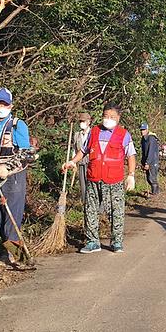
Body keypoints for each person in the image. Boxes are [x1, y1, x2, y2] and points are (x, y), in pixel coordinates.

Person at [64, 104, 136, 254]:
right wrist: (72, 161)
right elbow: (83, 150)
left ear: (118, 118)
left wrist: (131, 175)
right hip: (94, 177)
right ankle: (92, 242)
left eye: (112, 117)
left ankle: (116, 242)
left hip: (114, 180)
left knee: (116, 211)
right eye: (105, 116)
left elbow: (131, 155)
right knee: (90, 209)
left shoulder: (124, 134)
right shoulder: (94, 131)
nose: (108, 119)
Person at [0, 88, 31, 267]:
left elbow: (26, 153)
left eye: (4, 104)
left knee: (12, 215)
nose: (0, 107)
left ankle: (14, 254)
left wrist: (8, 168)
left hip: (13, 177)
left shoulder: (18, 125)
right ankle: (7, 251)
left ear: (11, 105)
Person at [73, 112, 92, 203]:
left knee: (91, 184)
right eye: (80, 121)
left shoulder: (93, 134)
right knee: (83, 184)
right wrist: (73, 162)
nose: (81, 123)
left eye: (83, 121)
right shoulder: (77, 135)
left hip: (91, 162)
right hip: (80, 162)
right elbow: (74, 149)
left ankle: (94, 204)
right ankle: (85, 203)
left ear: (88, 122)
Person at [139, 122, 160, 195]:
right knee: (148, 178)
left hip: (153, 161)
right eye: (141, 130)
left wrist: (147, 163)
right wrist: (142, 162)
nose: (142, 131)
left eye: (144, 130)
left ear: (147, 129)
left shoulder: (151, 138)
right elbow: (143, 152)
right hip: (147, 161)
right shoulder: (143, 139)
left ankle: (155, 193)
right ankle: (154, 192)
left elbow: (150, 152)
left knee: (152, 178)